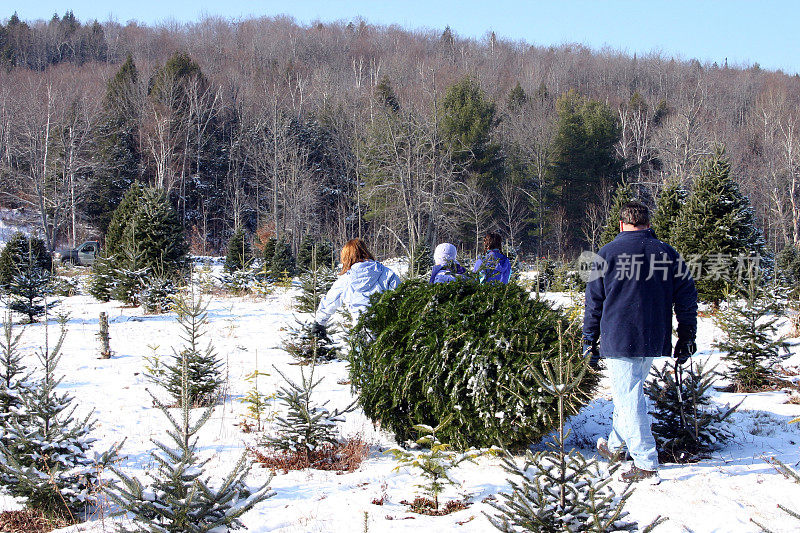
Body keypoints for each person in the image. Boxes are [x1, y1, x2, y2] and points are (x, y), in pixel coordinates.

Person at [583, 201, 698, 483]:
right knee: (629, 393)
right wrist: (686, 337)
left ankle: (646, 464)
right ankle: (616, 447)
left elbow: (593, 304)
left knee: (629, 396)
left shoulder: (607, 254)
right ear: (648, 223)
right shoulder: (666, 253)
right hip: (653, 336)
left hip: (620, 337)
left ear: (621, 224)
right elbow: (687, 299)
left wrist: (589, 339)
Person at [312, 238, 400, 336]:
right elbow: (401, 296)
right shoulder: (386, 273)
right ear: (365, 251)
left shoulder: (345, 280)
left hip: (360, 334)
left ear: (346, 257)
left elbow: (331, 301)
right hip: (386, 335)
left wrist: (319, 323)